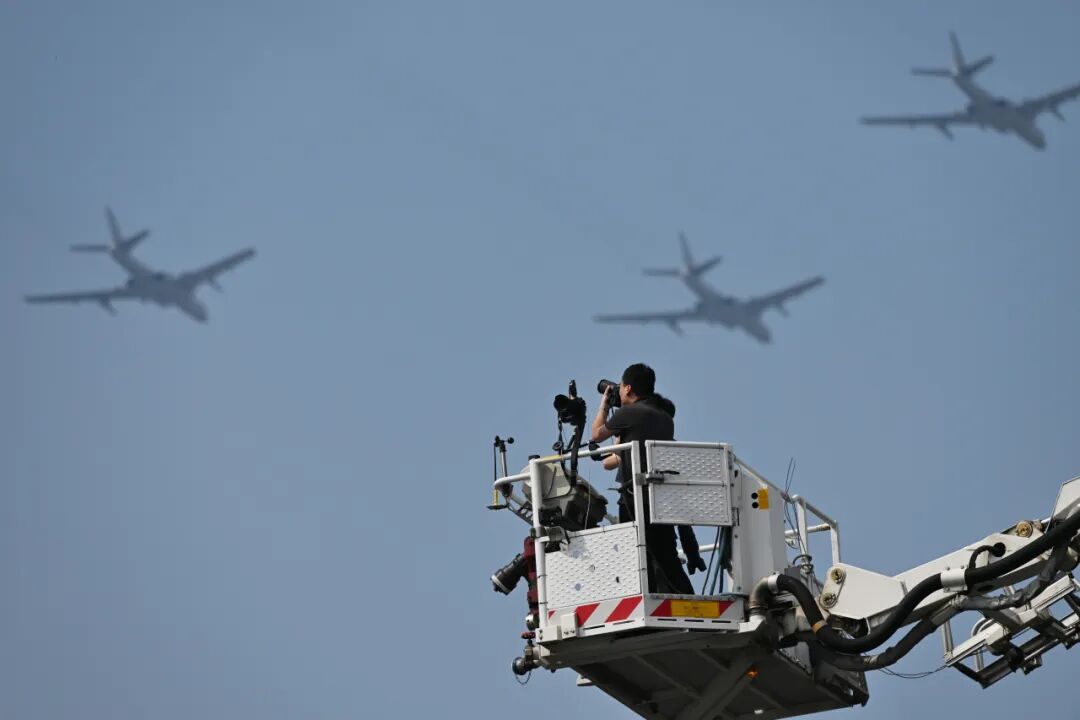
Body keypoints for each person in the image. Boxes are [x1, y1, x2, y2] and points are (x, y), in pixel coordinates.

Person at [590, 363, 703, 594]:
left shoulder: (630, 413)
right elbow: (613, 460)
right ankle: (689, 602)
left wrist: (604, 404)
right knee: (667, 557)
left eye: (620, 387)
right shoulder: (663, 417)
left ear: (629, 388)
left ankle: (645, 597)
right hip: (661, 498)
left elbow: (596, 434)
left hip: (634, 498)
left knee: (635, 555)